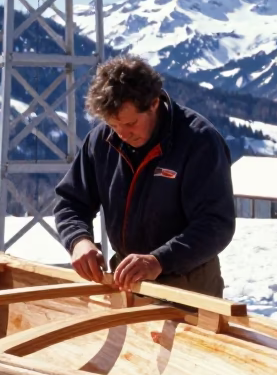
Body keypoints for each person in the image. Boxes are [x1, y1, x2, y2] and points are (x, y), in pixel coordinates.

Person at [54, 56, 235, 295]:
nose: (122, 134)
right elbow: (71, 201)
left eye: (130, 123)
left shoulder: (199, 142)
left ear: (153, 104)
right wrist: (78, 240)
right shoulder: (101, 140)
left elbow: (216, 224)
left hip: (189, 285)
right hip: (127, 280)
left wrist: (158, 260)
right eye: (113, 125)